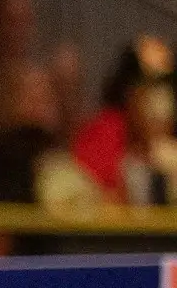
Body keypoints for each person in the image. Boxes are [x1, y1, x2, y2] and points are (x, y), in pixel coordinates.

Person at [72, 36, 177, 200]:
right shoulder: (104, 130)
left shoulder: (170, 143)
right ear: (129, 91)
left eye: (164, 86)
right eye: (149, 86)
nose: (159, 98)